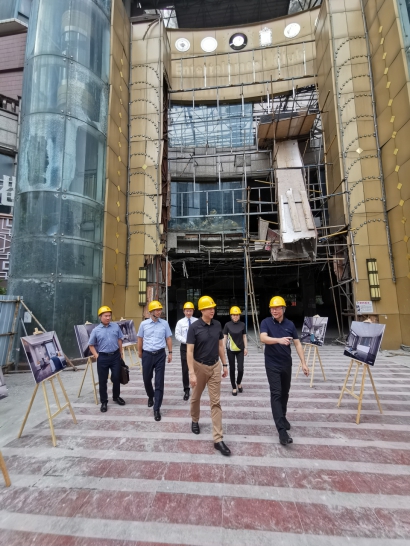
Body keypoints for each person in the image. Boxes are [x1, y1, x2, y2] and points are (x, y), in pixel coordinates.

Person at [260, 296, 309, 446]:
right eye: (272, 308)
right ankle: (282, 431)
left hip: (286, 364)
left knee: (285, 393)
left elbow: (297, 344)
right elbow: (263, 338)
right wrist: (278, 340)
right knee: (276, 393)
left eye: (277, 308)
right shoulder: (266, 322)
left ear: (283, 309)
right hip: (272, 364)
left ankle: (283, 416)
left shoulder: (290, 325)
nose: (274, 311)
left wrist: (303, 363)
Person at [186, 295, 231, 456]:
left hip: (215, 366)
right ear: (202, 310)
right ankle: (195, 419)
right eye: (209, 308)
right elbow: (189, 351)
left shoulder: (217, 325)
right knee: (195, 397)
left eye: (213, 308)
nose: (212, 310)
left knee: (216, 402)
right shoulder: (194, 327)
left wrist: (224, 364)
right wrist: (192, 373)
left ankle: (218, 439)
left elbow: (220, 347)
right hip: (199, 367)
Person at [137, 300, 172, 422]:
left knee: (159, 381)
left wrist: (170, 353)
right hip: (147, 354)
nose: (159, 312)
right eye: (157, 310)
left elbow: (168, 338)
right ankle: (150, 396)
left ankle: (157, 408)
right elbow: (140, 339)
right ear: (151, 312)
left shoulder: (164, 324)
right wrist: (140, 352)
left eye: (160, 310)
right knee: (146, 379)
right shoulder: (143, 324)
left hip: (160, 355)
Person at [89, 305, 125, 413]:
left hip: (115, 356)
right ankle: (104, 402)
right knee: (103, 380)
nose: (108, 317)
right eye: (106, 316)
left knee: (116, 377)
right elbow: (91, 345)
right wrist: (97, 356)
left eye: (109, 315)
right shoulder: (96, 330)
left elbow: (119, 339)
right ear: (100, 317)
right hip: (103, 358)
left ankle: (116, 397)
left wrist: (121, 352)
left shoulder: (115, 327)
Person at [175, 301, 198, 401]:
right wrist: (188, 341)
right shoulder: (180, 322)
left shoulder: (197, 321)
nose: (188, 313)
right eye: (187, 311)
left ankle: (196, 387)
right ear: (184, 311)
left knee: (197, 368)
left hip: (196, 348)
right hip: (185, 347)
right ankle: (186, 389)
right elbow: (177, 335)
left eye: (190, 311)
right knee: (185, 369)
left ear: (193, 311)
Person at [223, 306, 248, 396]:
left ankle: (239, 382)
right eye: (233, 315)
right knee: (232, 368)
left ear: (239, 315)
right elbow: (225, 337)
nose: (235, 316)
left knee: (240, 368)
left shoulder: (242, 325)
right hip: (230, 349)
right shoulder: (227, 325)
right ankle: (234, 387)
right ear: (231, 315)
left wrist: (246, 348)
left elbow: (244, 336)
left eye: (237, 315)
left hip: (240, 349)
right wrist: (223, 348)